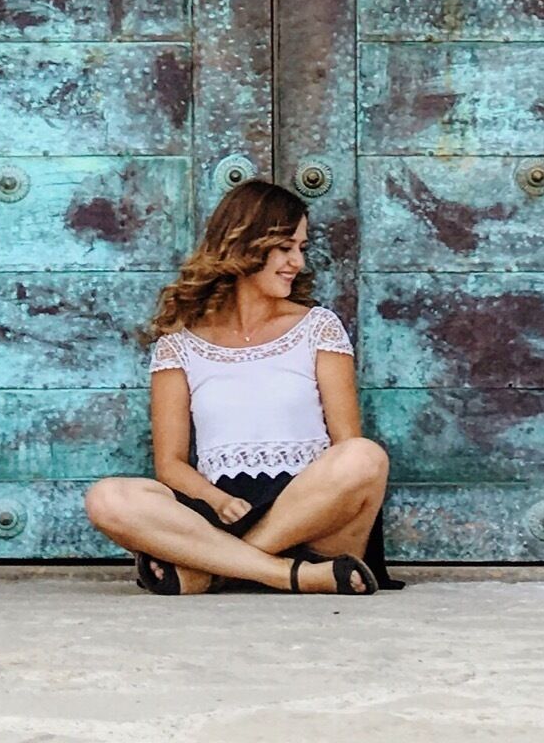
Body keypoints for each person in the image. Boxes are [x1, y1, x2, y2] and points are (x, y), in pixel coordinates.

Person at [84, 179, 396, 596]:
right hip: (222, 511)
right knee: (108, 498)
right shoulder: (179, 343)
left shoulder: (317, 327)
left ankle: (215, 570)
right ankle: (288, 575)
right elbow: (171, 464)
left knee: (364, 457)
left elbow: (346, 446)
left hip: (313, 518)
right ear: (245, 245)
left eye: (301, 248)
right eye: (285, 248)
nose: (297, 262)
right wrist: (215, 500)